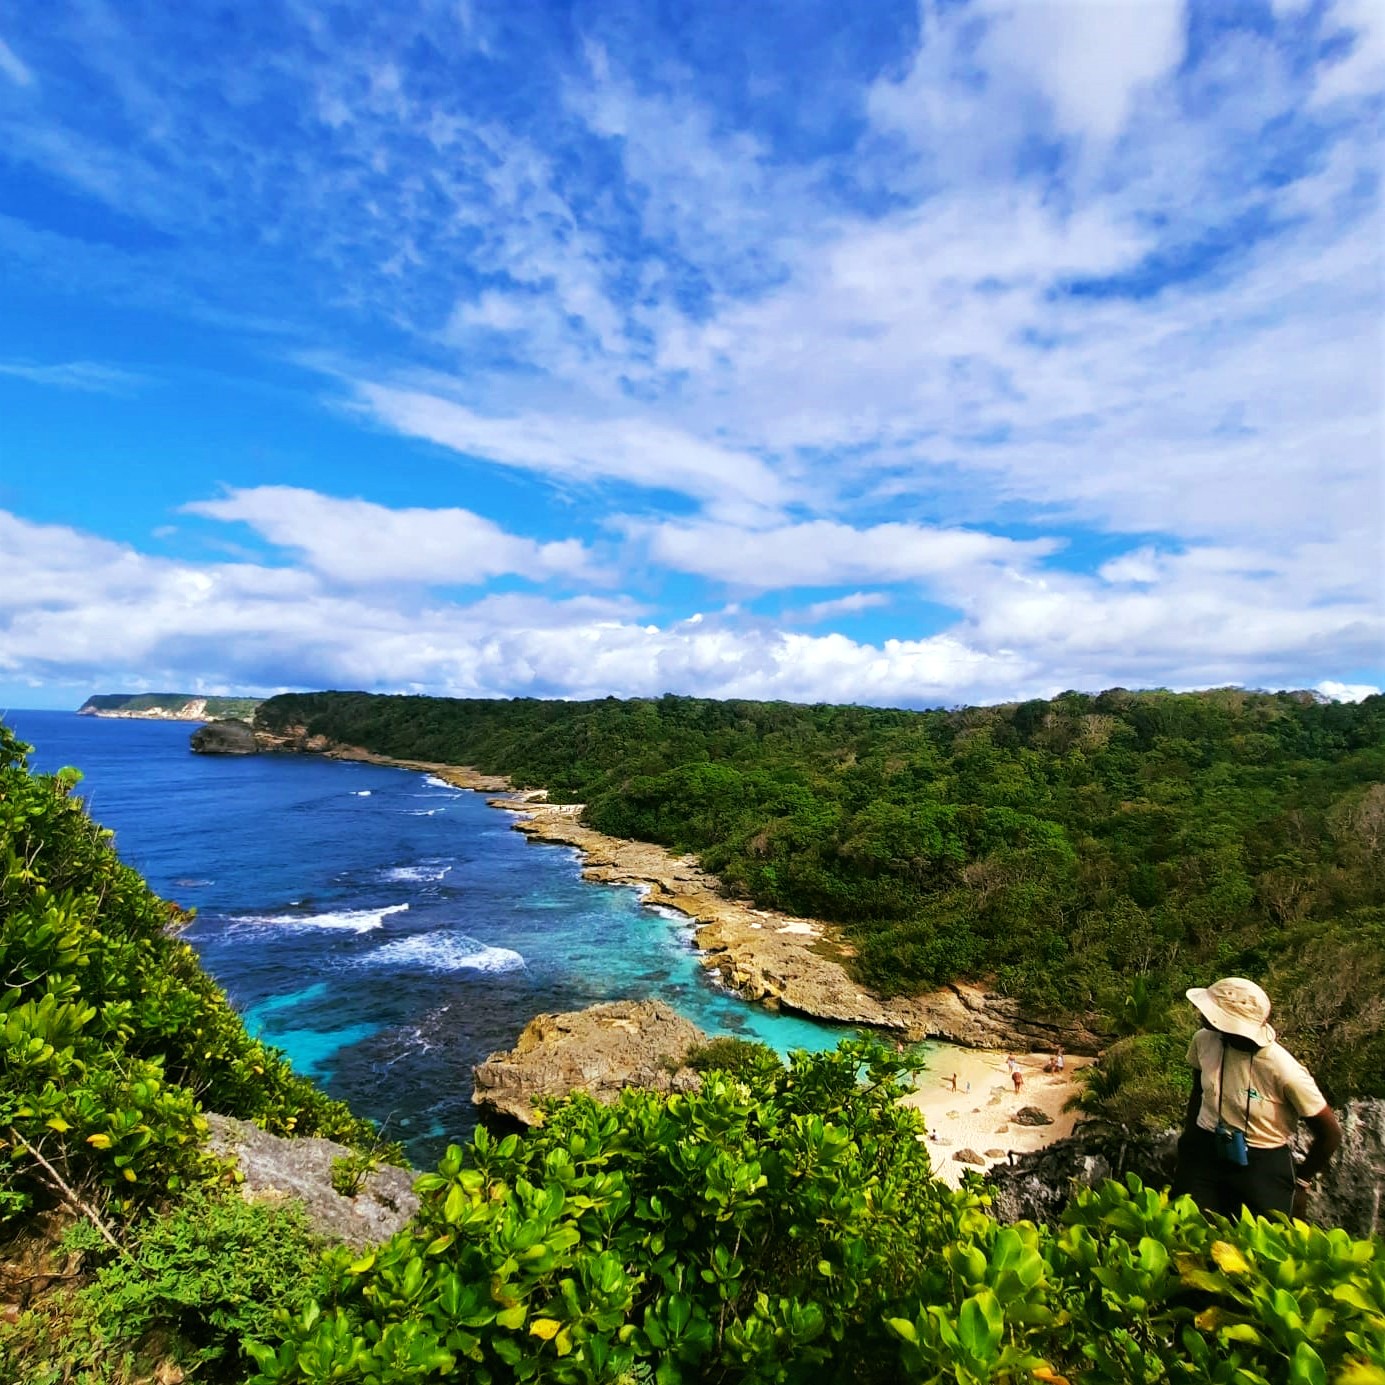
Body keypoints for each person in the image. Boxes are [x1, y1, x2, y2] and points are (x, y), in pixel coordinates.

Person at [1172, 977, 1341, 1220]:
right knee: (1188, 1229)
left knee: (1258, 1243)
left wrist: (1302, 1181)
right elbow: (1198, 1091)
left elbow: (1330, 1133)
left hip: (1261, 1159)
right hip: (1205, 1146)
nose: (1200, 1013)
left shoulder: (1282, 1069)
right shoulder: (1204, 1040)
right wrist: (1188, 1144)